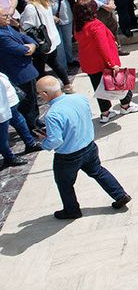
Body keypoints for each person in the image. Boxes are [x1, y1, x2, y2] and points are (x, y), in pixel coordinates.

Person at [35, 76, 131, 218]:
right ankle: (120, 195)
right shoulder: (80, 98)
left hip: (68, 156)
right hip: (89, 146)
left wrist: (44, 142)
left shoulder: (52, 114)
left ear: (44, 94)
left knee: (64, 183)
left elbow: (55, 141)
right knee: (98, 171)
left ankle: (72, 210)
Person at [73, 0, 138, 123]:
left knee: (98, 88)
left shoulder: (78, 26)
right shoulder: (95, 25)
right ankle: (126, 105)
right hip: (102, 61)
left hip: (89, 63)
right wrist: (112, 63)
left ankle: (105, 113)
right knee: (120, 83)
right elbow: (102, 46)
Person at [19, 0, 72, 90]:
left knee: (39, 69)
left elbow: (27, 27)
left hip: (41, 42)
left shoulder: (30, 7)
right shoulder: (45, 2)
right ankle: (67, 84)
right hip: (51, 39)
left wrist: (17, 23)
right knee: (55, 63)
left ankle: (45, 90)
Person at [0, 10, 41, 132]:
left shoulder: (7, 27)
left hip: (26, 68)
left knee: (33, 98)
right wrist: (28, 48)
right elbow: (21, 49)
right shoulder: (1, 36)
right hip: (17, 72)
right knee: (26, 102)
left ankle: (35, 120)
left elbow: (23, 36)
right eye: (5, 15)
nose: (9, 17)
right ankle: (31, 127)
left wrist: (32, 45)